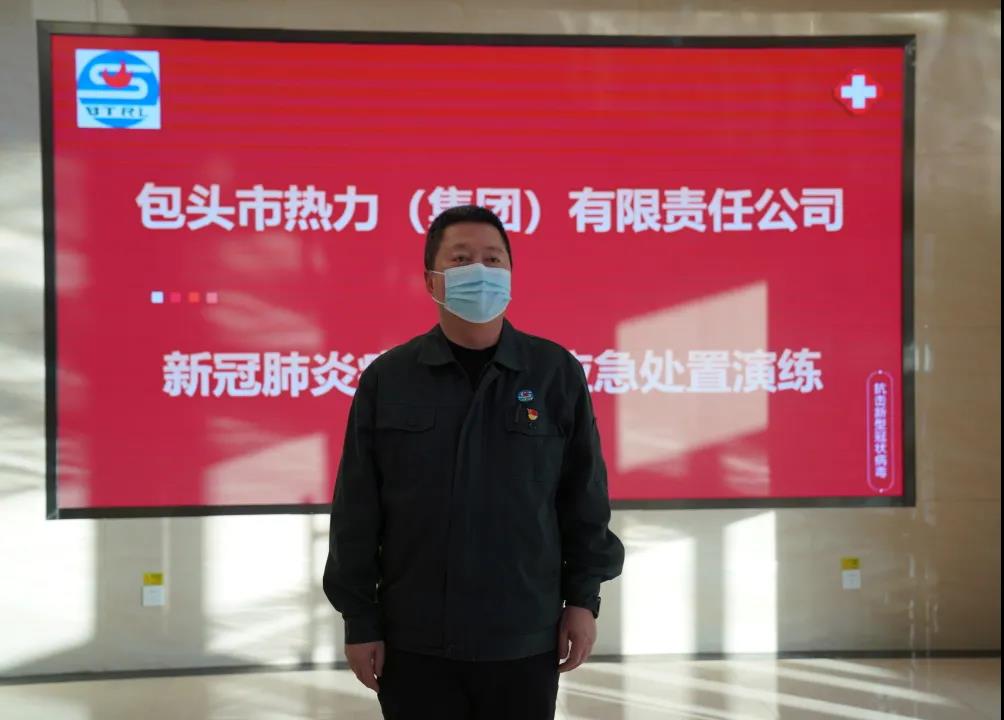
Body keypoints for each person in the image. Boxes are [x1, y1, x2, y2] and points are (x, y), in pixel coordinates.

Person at [323, 204, 625, 719]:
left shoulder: (554, 373)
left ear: (510, 274)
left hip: (524, 635)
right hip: (414, 639)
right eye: (461, 260)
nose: (480, 271)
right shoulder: (389, 379)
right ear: (432, 281)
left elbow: (583, 497)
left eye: (493, 259)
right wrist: (360, 619)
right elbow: (357, 509)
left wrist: (583, 599)